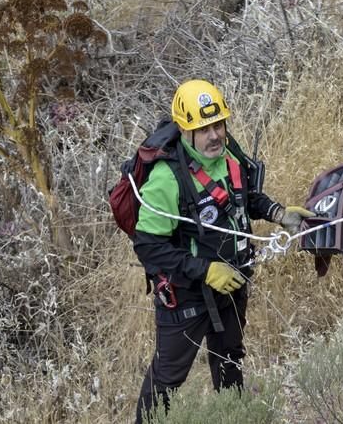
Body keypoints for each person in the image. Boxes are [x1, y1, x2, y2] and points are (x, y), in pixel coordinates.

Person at [133, 79, 313, 422]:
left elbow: (245, 199)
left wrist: (279, 213)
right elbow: (147, 246)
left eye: (218, 125)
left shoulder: (229, 155)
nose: (214, 135)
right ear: (185, 132)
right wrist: (204, 270)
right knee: (168, 379)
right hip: (186, 296)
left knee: (230, 359)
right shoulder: (166, 179)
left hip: (232, 284)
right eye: (204, 129)